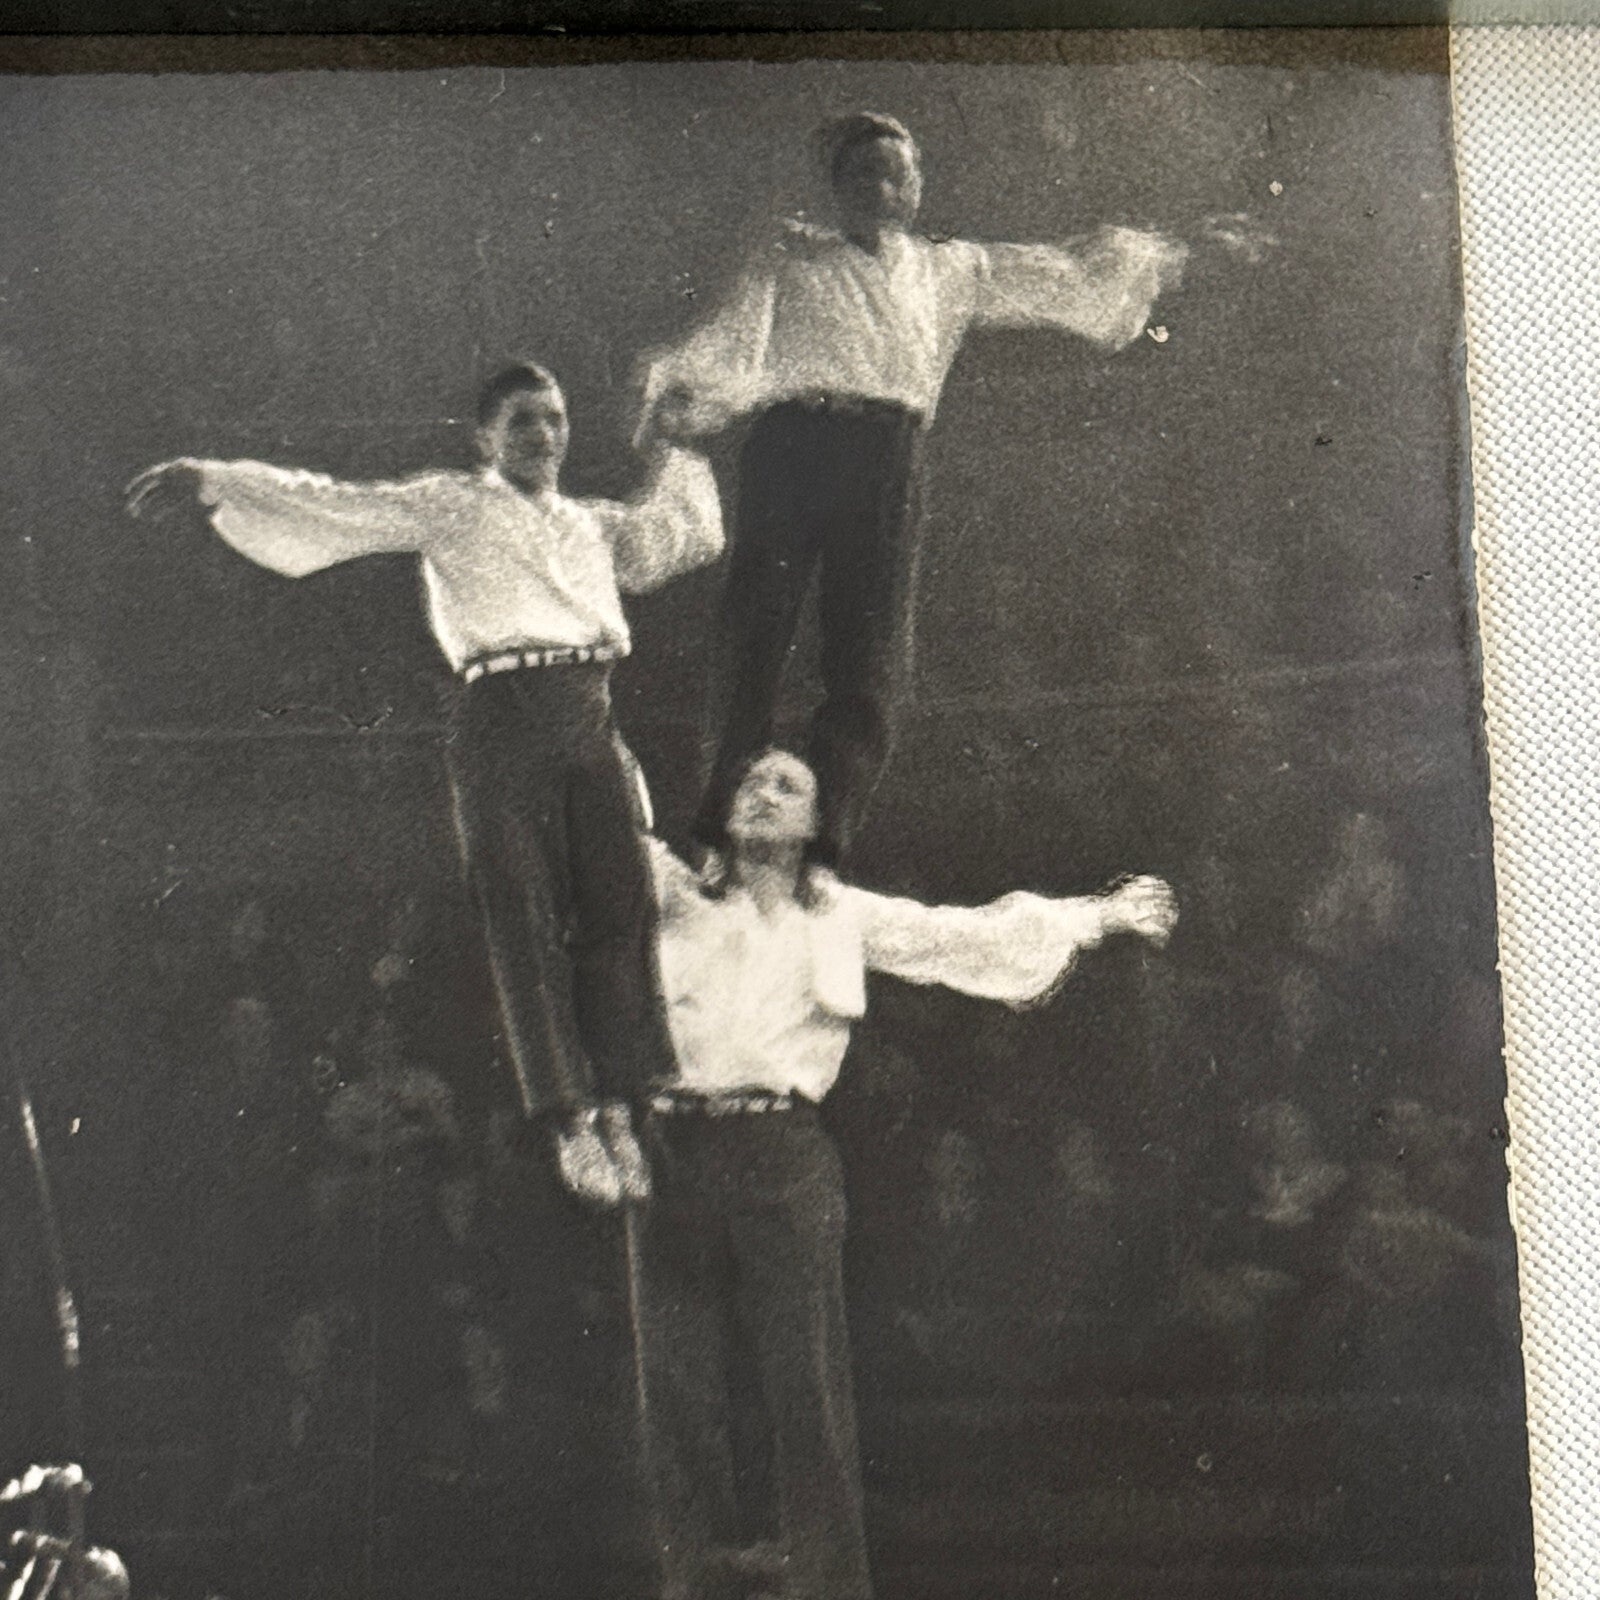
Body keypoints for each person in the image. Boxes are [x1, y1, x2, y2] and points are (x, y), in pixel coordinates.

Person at [124, 362, 723, 1207]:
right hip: (500, 715)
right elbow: (338, 504)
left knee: (621, 906)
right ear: (486, 437)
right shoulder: (452, 503)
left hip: (589, 712)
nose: (543, 436)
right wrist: (212, 479)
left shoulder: (591, 525)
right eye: (522, 422)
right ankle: (566, 1117)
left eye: (554, 420)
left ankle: (624, 1102)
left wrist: (679, 445)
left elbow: (682, 537)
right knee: (521, 911)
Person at [613, 747, 1177, 1600]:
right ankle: (694, 1585)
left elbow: (967, 938)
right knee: (679, 1389)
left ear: (816, 822)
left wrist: (1101, 917)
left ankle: (833, 1588)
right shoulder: (667, 891)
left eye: (786, 784)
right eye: (749, 781)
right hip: (670, 1152)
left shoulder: (843, 915)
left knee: (807, 1388)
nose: (761, 793)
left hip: (783, 1156)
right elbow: (591, 819)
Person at [638, 111, 1252, 870]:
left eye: (898, 174)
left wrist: (1174, 252)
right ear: (837, 186)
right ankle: (718, 832)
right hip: (792, 447)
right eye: (865, 173)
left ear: (919, 187)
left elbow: (1062, 275)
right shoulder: (793, 253)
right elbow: (737, 338)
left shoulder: (950, 269)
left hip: (886, 458)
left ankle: (825, 842)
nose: (883, 188)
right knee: (756, 635)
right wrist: (683, 391)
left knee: (870, 656)